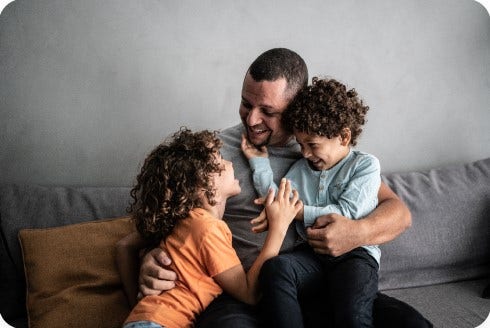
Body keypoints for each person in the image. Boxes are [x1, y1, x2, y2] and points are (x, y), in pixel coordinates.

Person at [135, 48, 432, 327]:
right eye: (246, 104)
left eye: (268, 111)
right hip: (239, 295)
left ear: (295, 108)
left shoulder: (322, 152)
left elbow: (399, 213)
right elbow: (163, 221)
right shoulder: (214, 156)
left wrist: (356, 233)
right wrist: (149, 257)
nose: (252, 120)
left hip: (319, 281)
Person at [117, 128, 302, 328]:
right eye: (220, 162)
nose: (230, 164)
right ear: (201, 186)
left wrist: (136, 306)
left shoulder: (185, 220)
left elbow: (123, 246)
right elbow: (250, 293)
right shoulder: (207, 228)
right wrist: (279, 227)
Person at [241, 76, 381, 327]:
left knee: (352, 315)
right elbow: (277, 199)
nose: (305, 153)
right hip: (312, 256)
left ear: (344, 137)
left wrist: (295, 212)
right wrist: (259, 162)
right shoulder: (300, 169)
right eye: (301, 144)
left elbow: (345, 212)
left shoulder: (365, 166)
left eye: (313, 145)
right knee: (275, 269)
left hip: (354, 256)